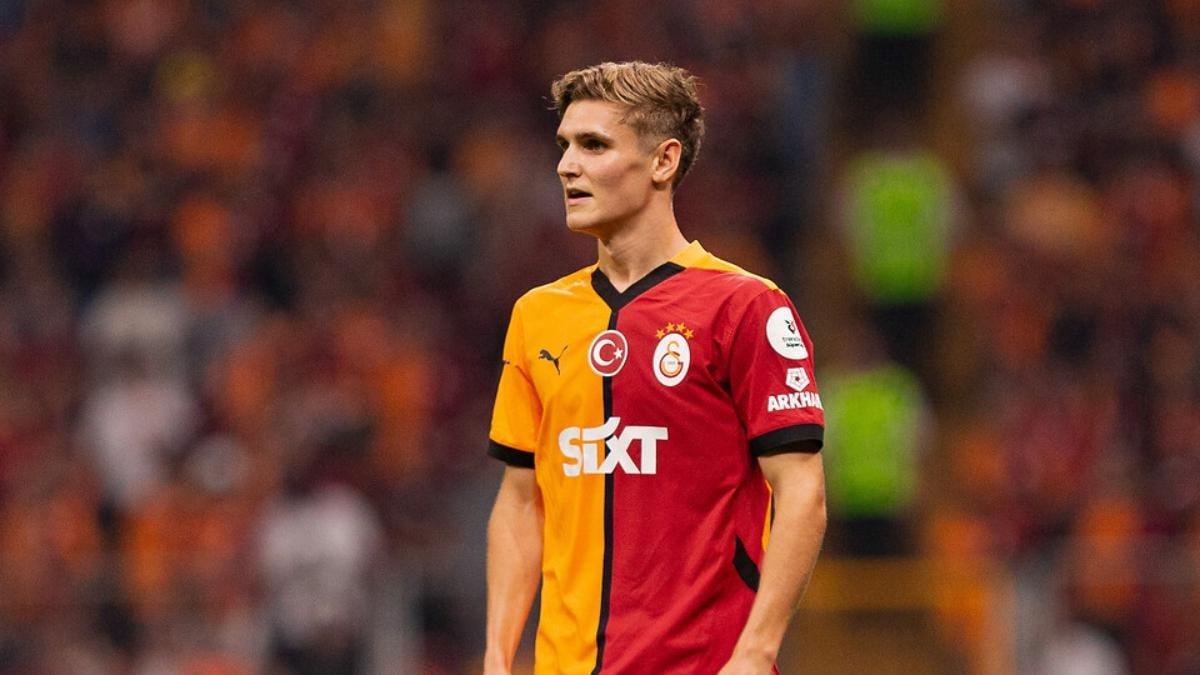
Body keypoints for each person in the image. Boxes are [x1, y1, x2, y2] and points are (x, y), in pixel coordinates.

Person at [484, 61, 827, 674]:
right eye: (564, 145)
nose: (567, 166)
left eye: (594, 145)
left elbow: (802, 491)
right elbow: (519, 500)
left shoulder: (745, 307)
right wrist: (496, 656)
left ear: (663, 161)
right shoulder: (536, 316)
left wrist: (756, 652)